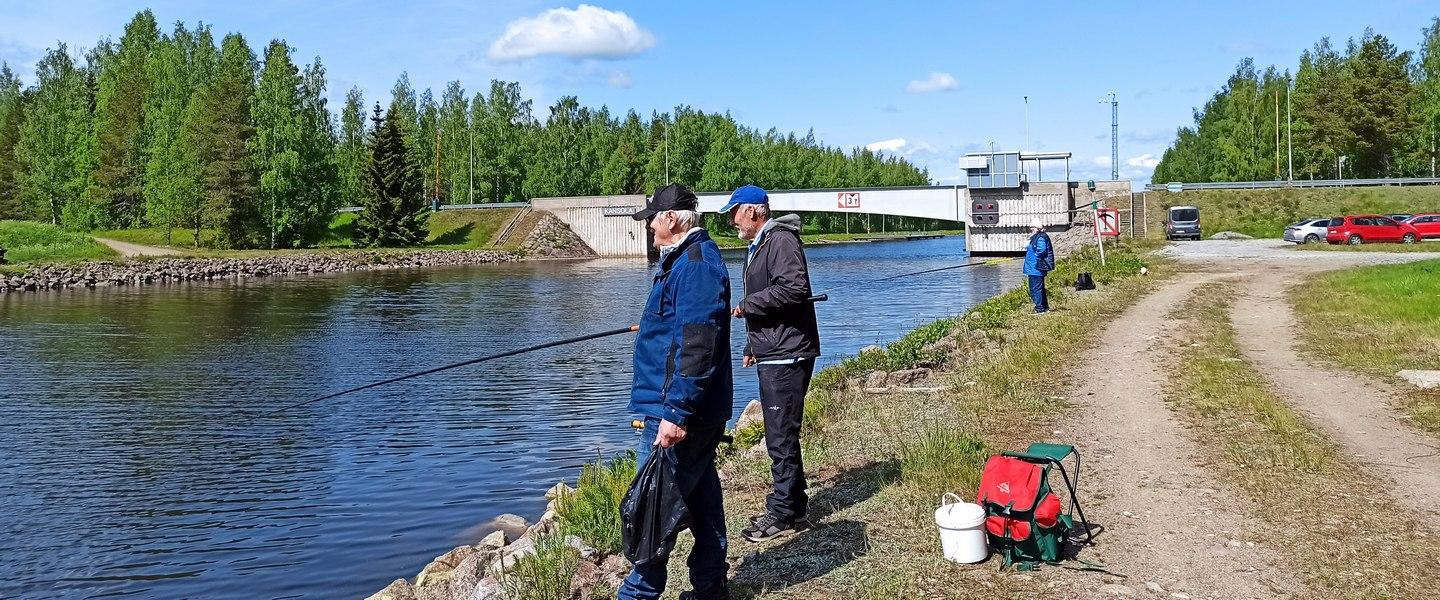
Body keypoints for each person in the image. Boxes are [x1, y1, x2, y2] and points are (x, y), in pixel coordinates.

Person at [623, 183, 733, 600]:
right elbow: (684, 329)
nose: (649, 226)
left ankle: (639, 592)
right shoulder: (685, 262)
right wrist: (653, 326)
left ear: (671, 218)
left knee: (652, 505)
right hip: (684, 409)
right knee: (702, 498)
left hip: (676, 411)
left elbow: (700, 344)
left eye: (652, 217)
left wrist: (676, 413)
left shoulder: (696, 266)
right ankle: (710, 587)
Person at [722, 184, 821, 542]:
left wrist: (749, 305)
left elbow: (794, 288)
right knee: (780, 431)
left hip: (789, 351)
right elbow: (773, 295)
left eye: (734, 213)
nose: (731, 221)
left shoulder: (779, 241)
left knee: (780, 434)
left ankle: (782, 513)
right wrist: (753, 342)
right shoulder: (761, 244)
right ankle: (792, 503)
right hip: (774, 348)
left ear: (752, 211)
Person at [1023, 217, 1054, 313]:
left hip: (1036, 267)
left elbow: (1041, 250)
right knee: (1039, 288)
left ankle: (1039, 309)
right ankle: (1044, 307)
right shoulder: (1037, 236)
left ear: (1037, 227)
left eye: (1032, 227)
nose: (1031, 229)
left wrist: (1034, 256)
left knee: (1035, 288)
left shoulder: (1040, 237)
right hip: (1034, 267)